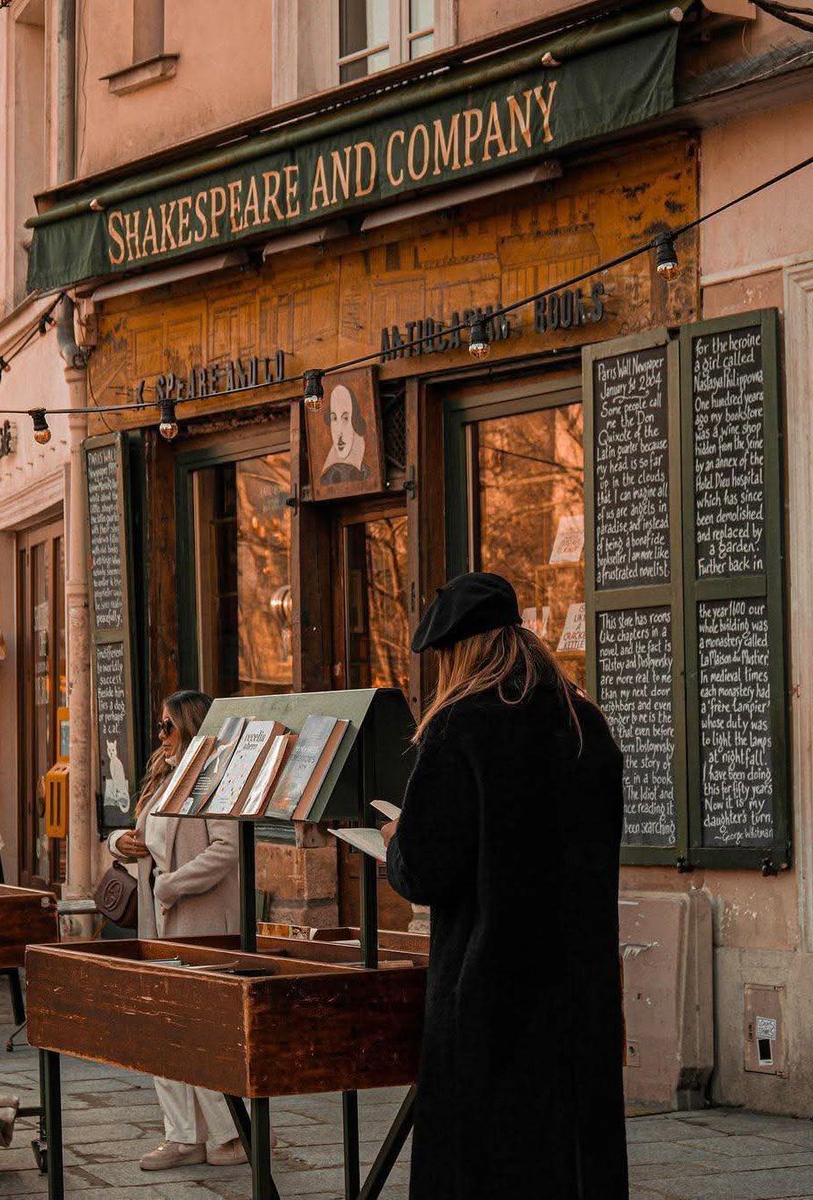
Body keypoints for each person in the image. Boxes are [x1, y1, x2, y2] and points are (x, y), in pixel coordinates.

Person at [382, 572, 628, 1200]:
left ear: (459, 653)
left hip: (488, 994)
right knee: (571, 1157)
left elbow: (427, 871)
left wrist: (394, 848)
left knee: (487, 1164)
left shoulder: (460, 728)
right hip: (578, 992)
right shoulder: (586, 725)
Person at [108, 690, 244, 1172]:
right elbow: (142, 835)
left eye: (167, 726)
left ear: (191, 725)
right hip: (158, 922)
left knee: (200, 1030)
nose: (160, 734)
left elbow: (226, 850)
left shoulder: (215, 776)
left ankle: (228, 1136)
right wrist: (117, 842)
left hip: (199, 923)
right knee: (164, 1028)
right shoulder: (164, 776)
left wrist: (171, 887)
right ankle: (182, 1135)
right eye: (159, 725)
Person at [320, 382, 371, 485]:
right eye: (334, 418)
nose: (339, 432)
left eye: (345, 418)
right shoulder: (326, 478)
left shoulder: (366, 472)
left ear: (355, 421)